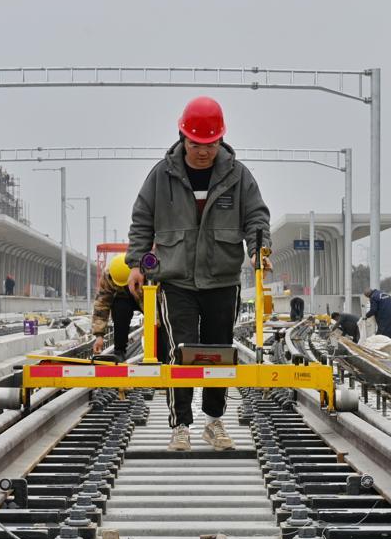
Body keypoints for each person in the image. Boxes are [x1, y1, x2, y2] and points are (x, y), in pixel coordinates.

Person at [126, 96, 271, 452]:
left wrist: (259, 250)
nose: (203, 152)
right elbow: (143, 219)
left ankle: (214, 421)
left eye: (210, 144)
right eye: (196, 144)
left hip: (222, 278)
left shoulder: (238, 176)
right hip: (175, 280)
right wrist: (134, 263)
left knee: (220, 352)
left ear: (220, 140)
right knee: (182, 352)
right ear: (182, 137)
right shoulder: (162, 176)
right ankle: (180, 425)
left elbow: (256, 217)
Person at [91, 255, 141, 360]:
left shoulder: (146, 272)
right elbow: (101, 304)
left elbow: (158, 307)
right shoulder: (109, 275)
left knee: (158, 327)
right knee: (119, 308)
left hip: (145, 296)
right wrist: (99, 335)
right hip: (124, 299)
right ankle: (119, 351)